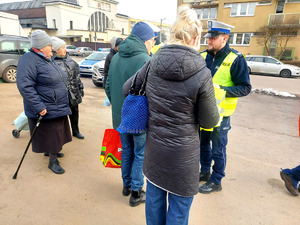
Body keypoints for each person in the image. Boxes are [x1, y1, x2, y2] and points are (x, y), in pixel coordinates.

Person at [123, 5, 220, 224]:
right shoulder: (202, 72)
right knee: (179, 210)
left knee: (154, 203)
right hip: (184, 156)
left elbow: (126, 88)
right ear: (195, 39)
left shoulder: (151, 63)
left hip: (155, 149)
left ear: (172, 36)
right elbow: (209, 121)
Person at [105, 21, 156, 207]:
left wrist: (118, 105)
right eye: (152, 40)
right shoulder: (146, 59)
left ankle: (126, 185)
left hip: (119, 116)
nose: (153, 44)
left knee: (126, 150)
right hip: (139, 118)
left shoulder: (116, 56)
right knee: (140, 154)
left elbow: (108, 86)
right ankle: (136, 192)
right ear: (144, 40)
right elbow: (152, 93)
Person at [198, 20, 252, 194]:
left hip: (222, 114)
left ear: (225, 38)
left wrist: (222, 90)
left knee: (218, 148)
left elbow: (245, 87)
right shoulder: (203, 56)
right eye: (208, 38)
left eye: (213, 38)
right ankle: (205, 171)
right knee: (203, 144)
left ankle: (216, 180)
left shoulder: (235, 59)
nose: (209, 41)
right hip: (204, 111)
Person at [17, 30, 72, 174]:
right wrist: (38, 106)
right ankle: (52, 161)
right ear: (41, 47)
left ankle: (52, 151)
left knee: (57, 132)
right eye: (49, 45)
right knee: (51, 133)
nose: (52, 48)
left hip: (56, 103)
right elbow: (25, 86)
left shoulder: (47, 59)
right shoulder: (29, 59)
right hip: (45, 106)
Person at [51, 36, 85, 139]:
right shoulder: (52, 63)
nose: (65, 50)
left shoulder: (72, 62)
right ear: (56, 50)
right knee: (61, 117)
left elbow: (77, 77)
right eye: (62, 47)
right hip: (61, 95)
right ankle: (61, 136)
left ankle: (76, 131)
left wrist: (80, 87)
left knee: (74, 113)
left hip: (73, 93)